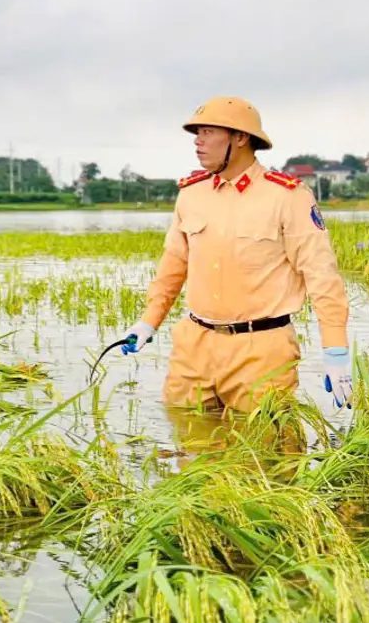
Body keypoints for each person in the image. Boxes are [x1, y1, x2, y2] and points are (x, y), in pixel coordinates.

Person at [114, 96, 354, 414]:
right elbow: (173, 266)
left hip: (261, 349)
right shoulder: (190, 194)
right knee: (188, 446)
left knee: (267, 453)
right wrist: (148, 322)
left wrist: (335, 349)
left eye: (208, 132)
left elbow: (321, 275)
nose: (198, 142)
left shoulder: (288, 196)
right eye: (196, 133)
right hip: (194, 346)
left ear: (240, 138)